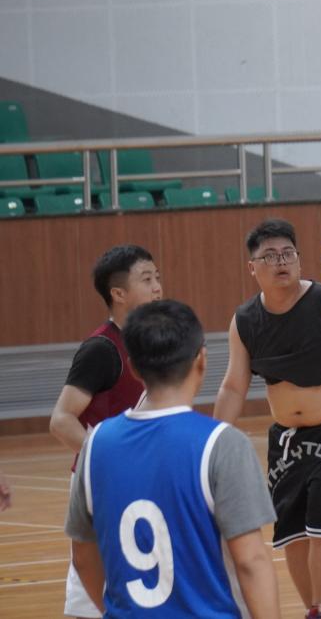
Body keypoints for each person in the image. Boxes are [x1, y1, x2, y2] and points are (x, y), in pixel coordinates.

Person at [64, 300, 280, 618]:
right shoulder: (222, 444)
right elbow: (250, 561)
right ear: (201, 360)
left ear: (133, 369)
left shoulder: (94, 445)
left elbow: (83, 557)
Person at [214, 218, 321, 619]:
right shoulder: (245, 321)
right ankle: (312, 610)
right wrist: (212, 442)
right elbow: (233, 387)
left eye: (288, 253)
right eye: (270, 256)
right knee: (293, 531)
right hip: (288, 437)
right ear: (253, 268)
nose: (281, 261)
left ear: (299, 259)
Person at [49, 244, 163, 619]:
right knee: (90, 588)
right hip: (101, 479)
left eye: (157, 277)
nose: (157, 286)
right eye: (146, 279)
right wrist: (110, 458)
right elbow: (61, 419)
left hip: (141, 480)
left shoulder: (152, 343)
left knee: (142, 581)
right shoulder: (101, 348)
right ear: (118, 293)